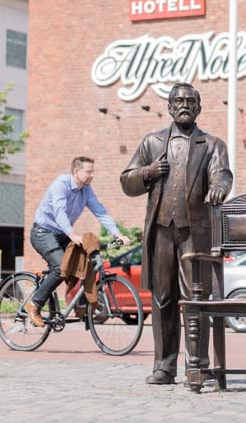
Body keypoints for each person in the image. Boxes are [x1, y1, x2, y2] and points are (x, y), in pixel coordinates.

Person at [121, 83, 232, 385]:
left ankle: (199, 364)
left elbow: (222, 174)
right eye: (178, 101)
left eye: (190, 101)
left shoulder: (211, 144)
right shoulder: (152, 143)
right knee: (163, 298)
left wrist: (220, 187)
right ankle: (164, 365)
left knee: (197, 298)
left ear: (199, 107)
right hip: (161, 233)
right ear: (169, 107)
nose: (184, 105)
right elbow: (127, 181)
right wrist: (149, 172)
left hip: (195, 233)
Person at [25, 156, 130, 327]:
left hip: (62, 234)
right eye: (89, 172)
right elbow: (59, 212)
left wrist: (117, 233)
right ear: (76, 171)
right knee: (60, 267)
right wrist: (71, 233)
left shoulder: (86, 190)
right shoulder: (61, 184)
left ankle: (82, 306)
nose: (92, 175)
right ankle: (34, 304)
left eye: (93, 171)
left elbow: (100, 211)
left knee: (84, 261)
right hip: (43, 232)